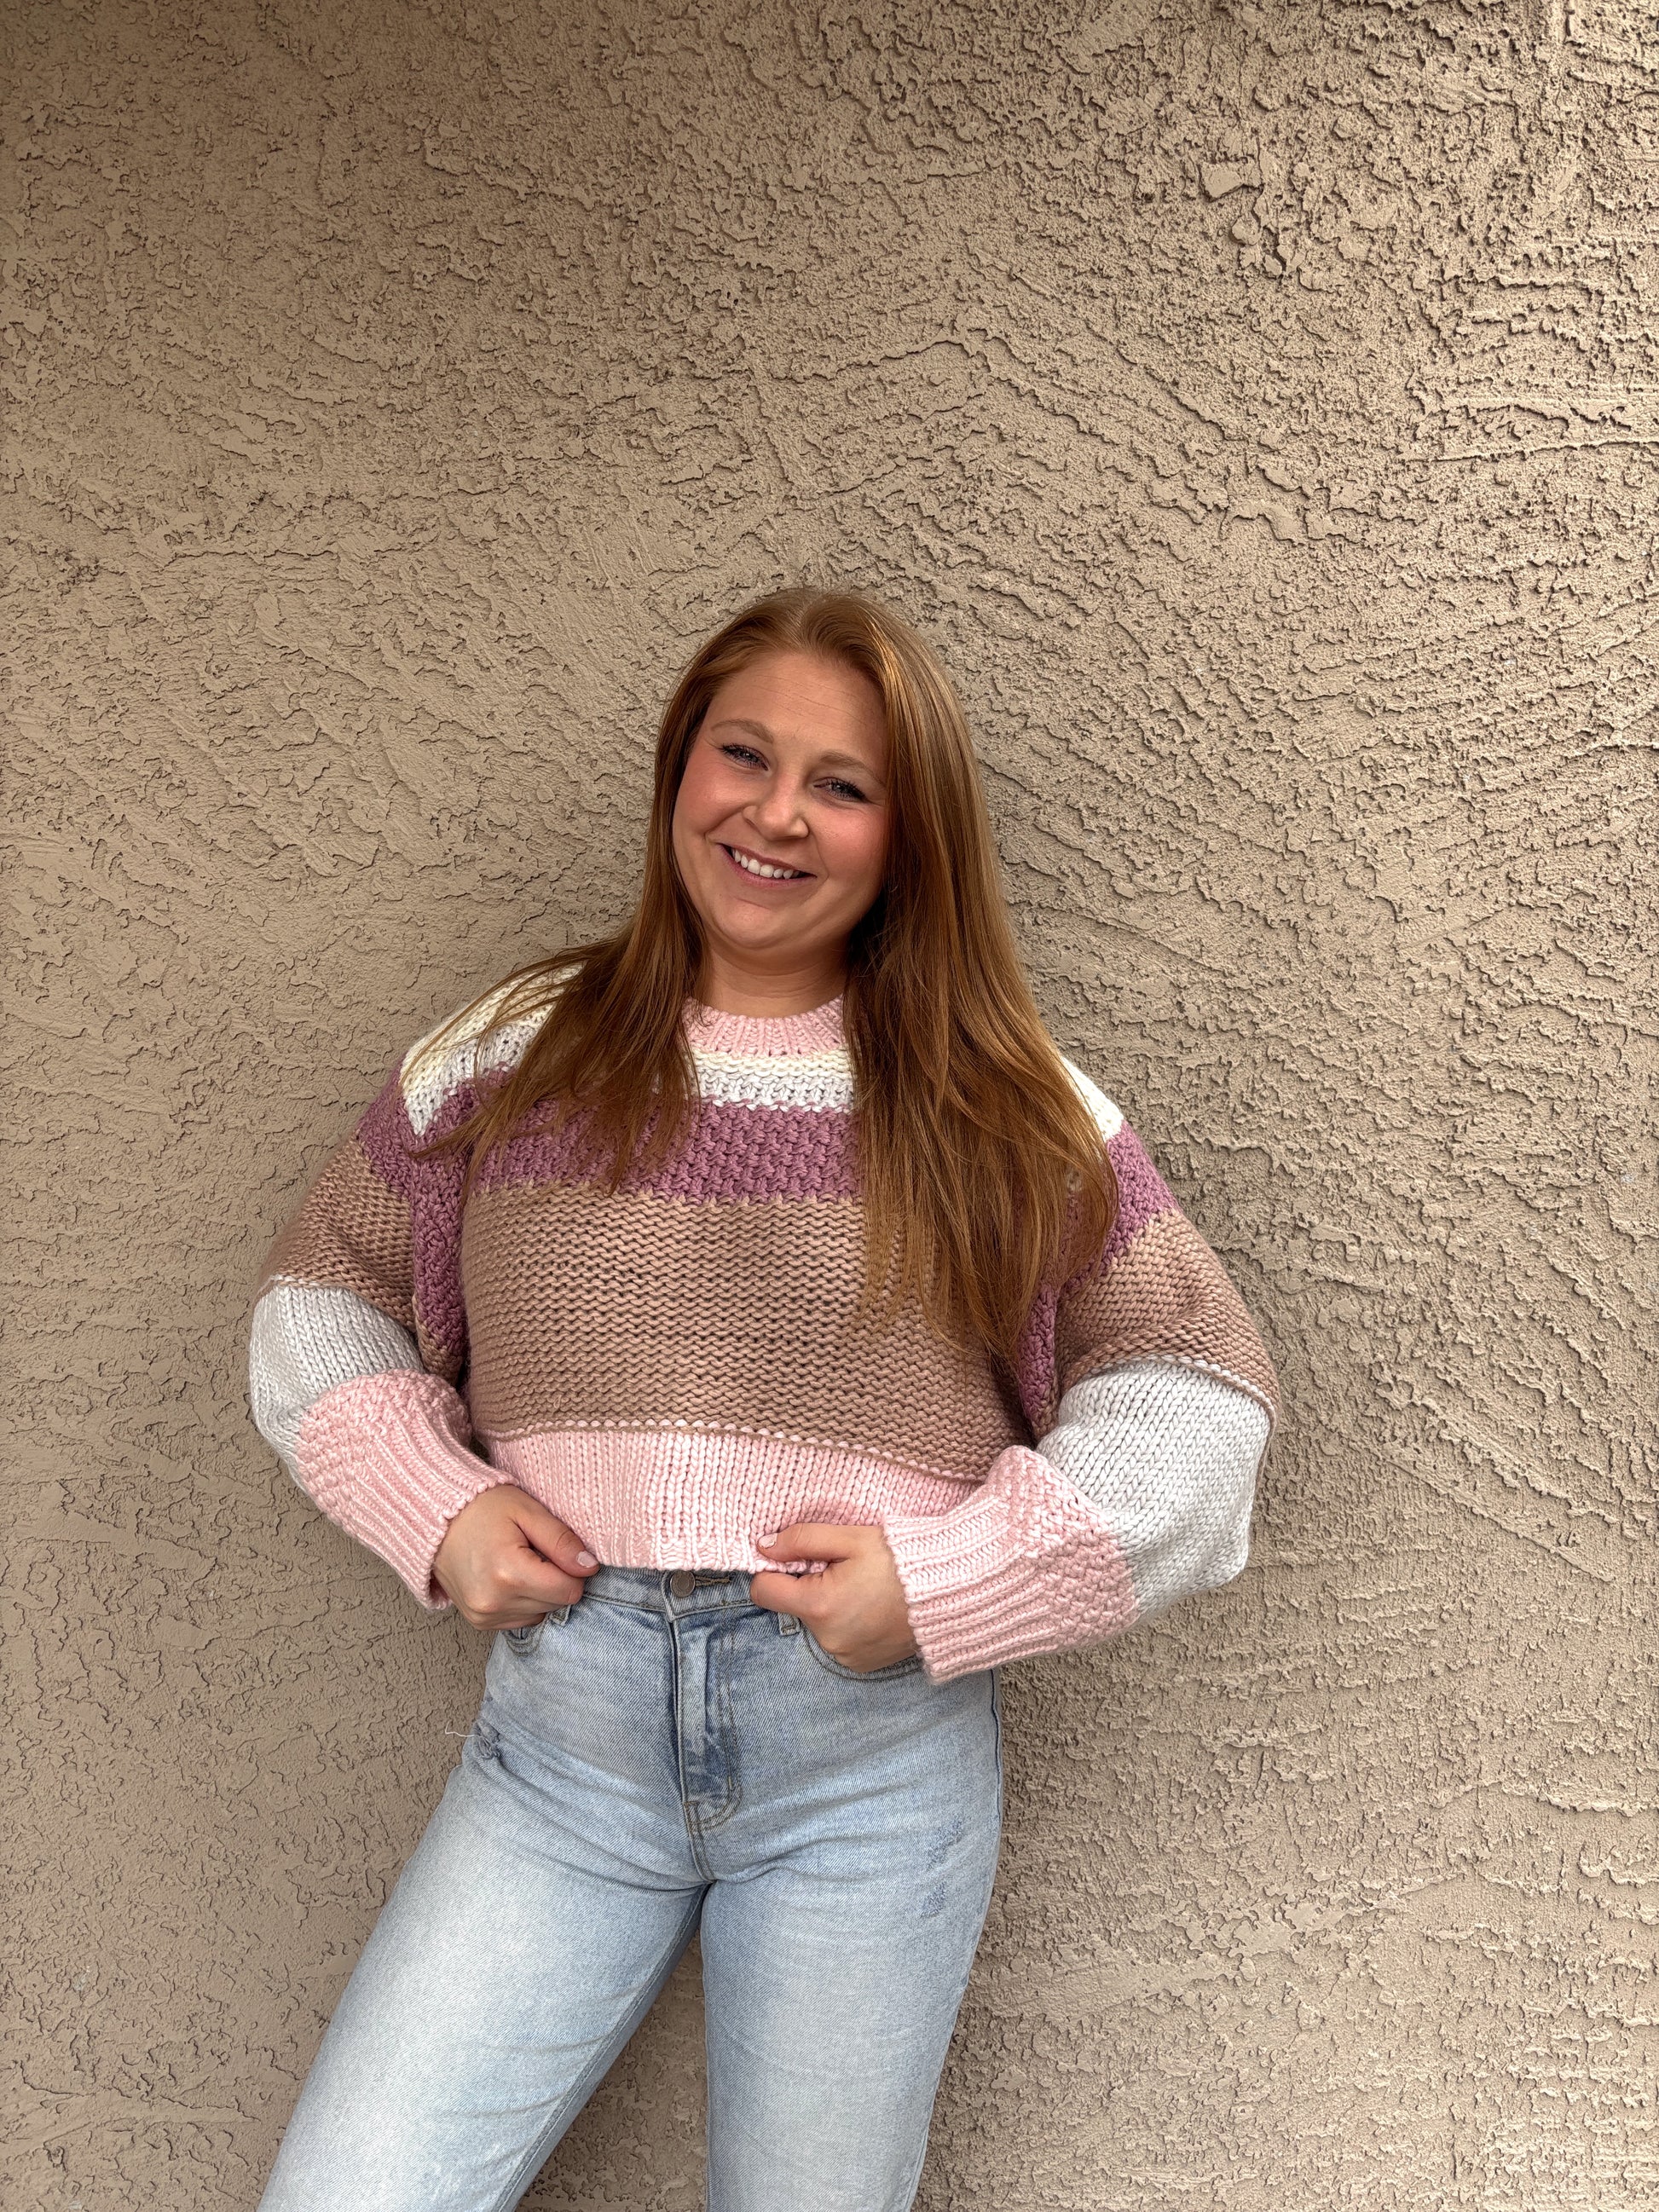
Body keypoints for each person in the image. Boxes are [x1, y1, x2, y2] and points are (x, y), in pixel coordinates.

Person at [247, 586, 1279, 2212]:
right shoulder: (514, 1053)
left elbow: (1195, 1391)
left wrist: (946, 1582)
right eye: (743, 755)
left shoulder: (998, 1106)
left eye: (842, 785)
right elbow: (323, 1296)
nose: (776, 812)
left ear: (907, 837)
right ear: (680, 770)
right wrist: (434, 1506)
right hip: (560, 1758)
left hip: (865, 1776)